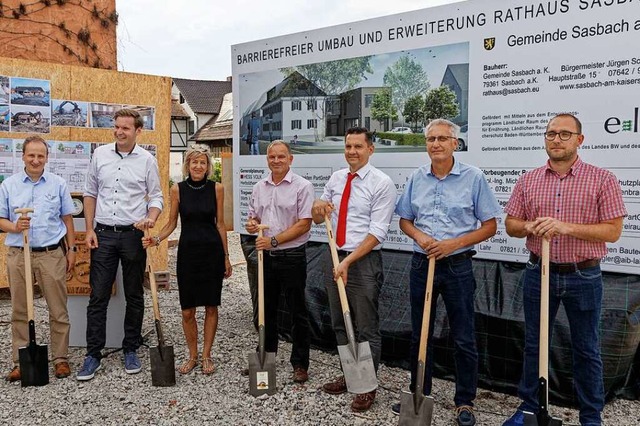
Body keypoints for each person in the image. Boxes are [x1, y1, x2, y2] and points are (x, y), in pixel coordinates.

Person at [502, 114, 626, 426]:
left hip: (583, 275)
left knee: (586, 348)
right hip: (538, 272)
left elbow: (612, 231)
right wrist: (531, 225)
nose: (556, 139)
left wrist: (565, 228)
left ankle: (590, 416)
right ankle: (530, 408)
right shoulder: (528, 180)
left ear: (579, 140)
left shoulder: (602, 179)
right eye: (551, 134)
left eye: (564, 134)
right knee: (535, 343)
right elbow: (511, 225)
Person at [391, 119, 502, 426]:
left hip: (457, 266)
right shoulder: (417, 177)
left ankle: (464, 401)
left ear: (456, 143)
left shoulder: (473, 177)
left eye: (442, 138)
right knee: (420, 333)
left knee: (464, 335)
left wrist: (454, 244)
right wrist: (420, 238)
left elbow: (490, 226)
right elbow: (405, 220)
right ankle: (418, 393)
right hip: (421, 264)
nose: (436, 144)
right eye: (430, 139)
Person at [311, 126, 395, 412]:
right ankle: (351, 376)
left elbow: (377, 233)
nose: (352, 152)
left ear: (370, 149)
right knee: (339, 321)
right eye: (348, 146)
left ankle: (367, 386)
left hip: (362, 261)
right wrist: (317, 205)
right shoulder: (336, 178)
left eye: (358, 146)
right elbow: (316, 217)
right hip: (334, 255)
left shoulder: (381, 183)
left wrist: (348, 262)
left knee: (365, 326)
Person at [77, 108, 163, 381]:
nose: (119, 131)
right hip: (102, 234)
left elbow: (156, 197)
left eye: (126, 128)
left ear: (138, 131)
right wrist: (89, 229)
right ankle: (93, 354)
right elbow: (90, 193)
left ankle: (131, 348)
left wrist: (150, 218)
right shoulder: (100, 155)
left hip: (132, 235)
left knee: (134, 296)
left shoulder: (147, 160)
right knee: (98, 295)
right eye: (117, 127)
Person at [143, 144, 231, 375]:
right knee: (187, 310)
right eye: (194, 162)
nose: (198, 166)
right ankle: (192, 355)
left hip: (212, 252)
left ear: (208, 166)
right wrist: (157, 239)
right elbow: (172, 222)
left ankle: (206, 356)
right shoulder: (177, 189)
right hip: (188, 253)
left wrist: (226, 257)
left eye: (203, 162)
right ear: (188, 165)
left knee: (212, 306)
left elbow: (220, 224)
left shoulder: (217, 189)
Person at [0, 135, 76, 382]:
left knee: (58, 308)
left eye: (40, 155)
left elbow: (67, 218)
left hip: (50, 254)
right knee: (20, 309)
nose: (35, 160)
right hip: (18, 254)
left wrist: (72, 249)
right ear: (22, 156)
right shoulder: (8, 185)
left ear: (47, 157)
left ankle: (61, 358)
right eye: (31, 155)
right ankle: (20, 360)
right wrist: (14, 226)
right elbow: (0, 220)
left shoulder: (57, 184)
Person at [245, 140, 314, 382]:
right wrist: (252, 225)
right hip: (267, 258)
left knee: (298, 311)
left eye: (281, 157)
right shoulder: (259, 187)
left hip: (292, 256)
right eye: (272, 157)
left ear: (290, 159)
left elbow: (304, 223)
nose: (276, 161)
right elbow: (252, 219)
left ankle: (300, 363)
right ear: (267, 159)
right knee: (266, 310)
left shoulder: (302, 186)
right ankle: (266, 358)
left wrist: (273, 241)